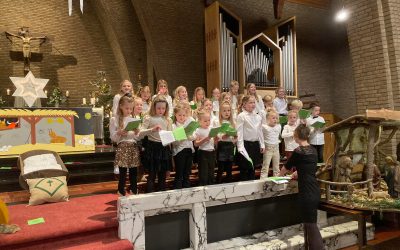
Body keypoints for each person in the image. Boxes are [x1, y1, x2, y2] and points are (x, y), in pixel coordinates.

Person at [279, 124, 324, 250]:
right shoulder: (313, 150)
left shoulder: (298, 151)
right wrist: (297, 173)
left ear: (296, 136)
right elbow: (308, 168)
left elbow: (285, 168)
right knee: (310, 226)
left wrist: (278, 176)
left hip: (306, 193)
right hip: (314, 189)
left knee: (311, 227)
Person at [109, 95, 140, 196]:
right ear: (121, 106)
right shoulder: (115, 119)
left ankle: (134, 190)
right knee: (123, 172)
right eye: (127, 108)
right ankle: (121, 191)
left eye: (131, 108)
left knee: (133, 171)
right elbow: (113, 138)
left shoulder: (134, 119)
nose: (129, 111)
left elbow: (137, 138)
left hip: (133, 147)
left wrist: (137, 132)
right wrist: (119, 133)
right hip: (122, 147)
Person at [141, 95, 171, 192]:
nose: (161, 110)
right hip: (152, 148)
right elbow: (140, 132)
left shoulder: (168, 119)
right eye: (158, 108)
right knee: (152, 175)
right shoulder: (148, 118)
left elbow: (170, 134)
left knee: (162, 176)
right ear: (154, 107)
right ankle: (150, 196)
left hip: (164, 148)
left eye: (163, 108)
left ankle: (162, 198)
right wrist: (152, 129)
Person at [236, 95, 265, 181]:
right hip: (245, 145)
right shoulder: (242, 116)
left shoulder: (258, 116)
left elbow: (259, 131)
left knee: (253, 168)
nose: (253, 104)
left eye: (254, 102)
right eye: (250, 102)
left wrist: (262, 144)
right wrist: (240, 147)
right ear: (244, 104)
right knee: (245, 168)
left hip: (255, 144)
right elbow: (239, 132)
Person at [172, 103, 195, 189]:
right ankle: (177, 193)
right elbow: (175, 143)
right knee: (179, 174)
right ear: (175, 115)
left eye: (184, 115)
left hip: (189, 150)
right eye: (179, 115)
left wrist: (189, 136)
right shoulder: (174, 126)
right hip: (179, 152)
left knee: (187, 173)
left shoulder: (188, 125)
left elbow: (194, 137)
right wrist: (182, 136)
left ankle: (187, 192)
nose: (182, 117)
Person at [214, 101, 236, 183]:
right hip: (222, 146)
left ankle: (229, 185)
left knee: (229, 168)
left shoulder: (232, 122)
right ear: (220, 112)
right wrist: (222, 136)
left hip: (230, 146)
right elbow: (216, 134)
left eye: (228, 110)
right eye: (224, 111)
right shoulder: (217, 121)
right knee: (221, 168)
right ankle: (218, 183)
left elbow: (235, 135)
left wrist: (235, 137)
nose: (227, 112)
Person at [193, 110, 217, 185]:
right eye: (205, 121)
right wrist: (205, 139)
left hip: (212, 152)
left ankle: (211, 186)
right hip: (203, 153)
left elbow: (214, 143)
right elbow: (196, 144)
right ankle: (203, 186)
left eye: (209, 120)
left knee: (211, 171)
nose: (208, 122)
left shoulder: (211, 129)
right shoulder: (198, 130)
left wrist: (216, 139)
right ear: (199, 121)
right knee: (203, 172)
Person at [261, 111, 281, 178]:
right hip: (268, 148)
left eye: (276, 118)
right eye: (273, 118)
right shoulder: (264, 127)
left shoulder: (279, 126)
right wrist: (262, 145)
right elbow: (260, 137)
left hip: (276, 148)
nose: (275, 119)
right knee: (265, 167)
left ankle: (277, 183)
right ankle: (262, 183)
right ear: (267, 119)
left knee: (276, 167)